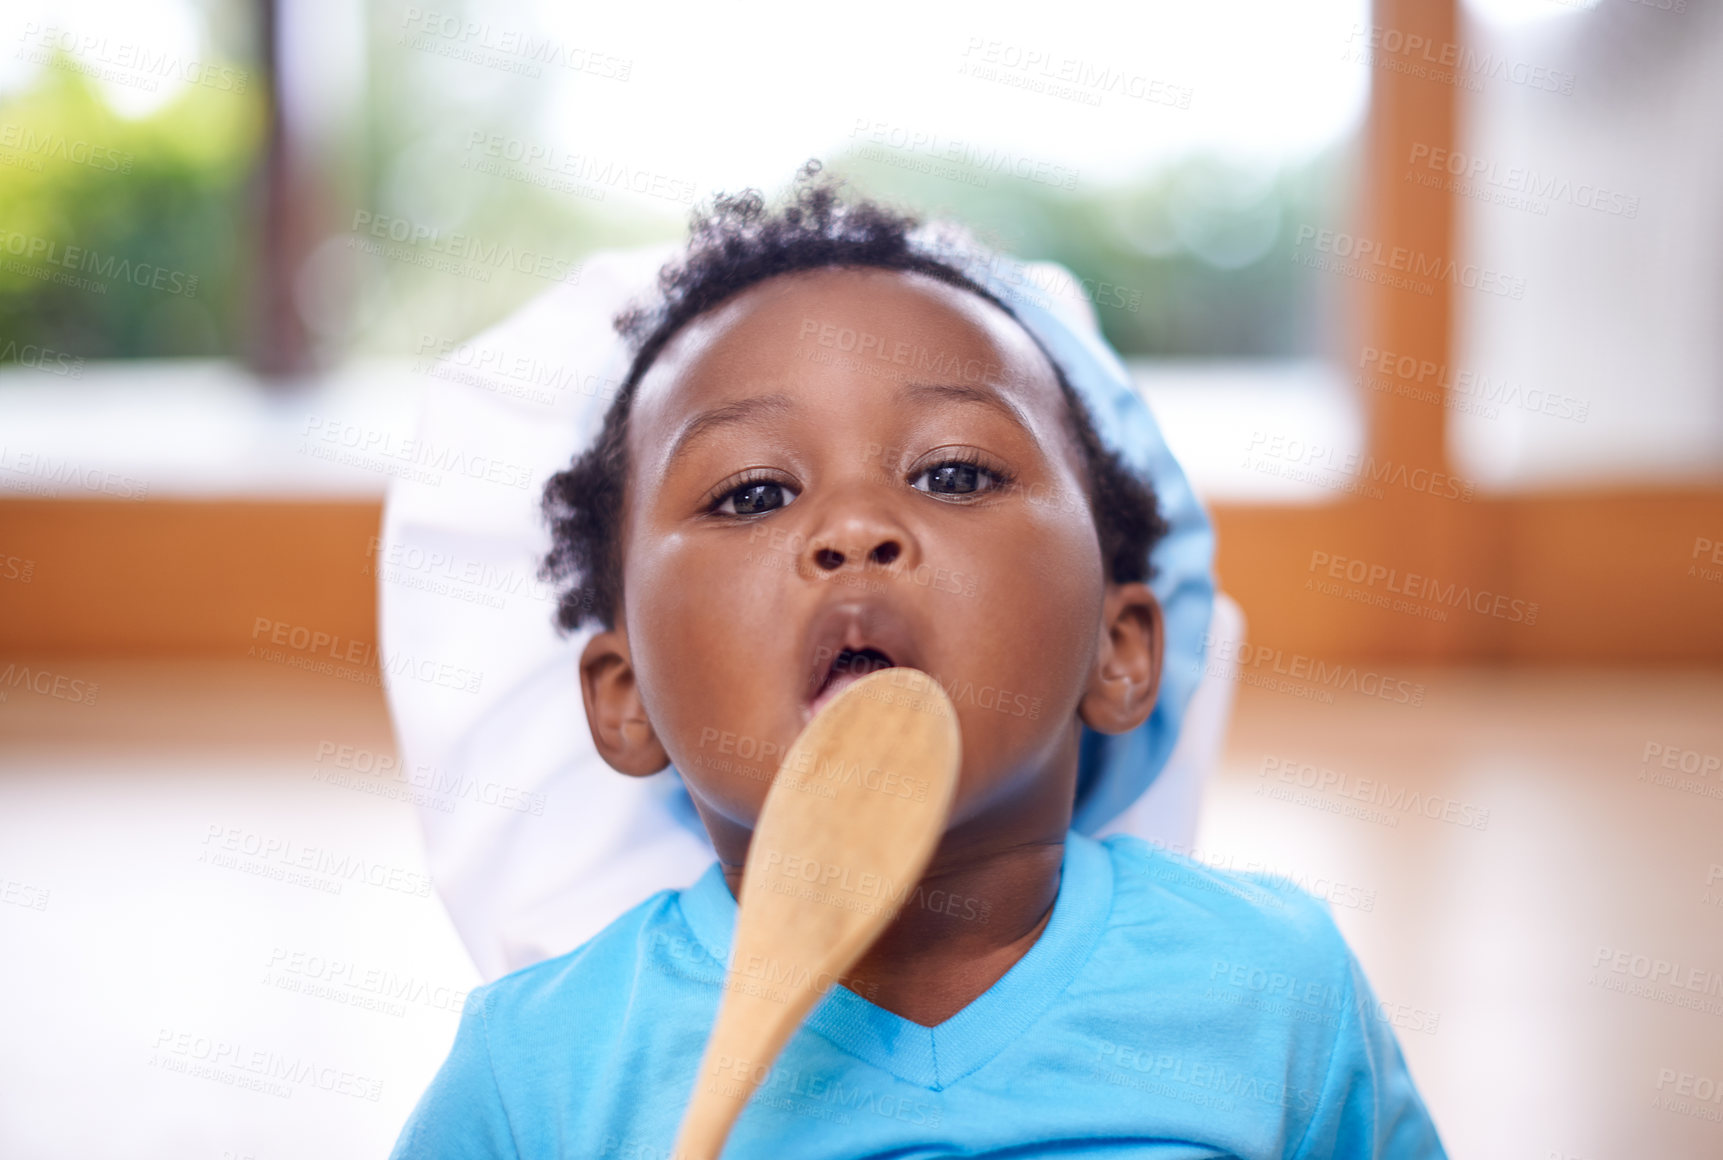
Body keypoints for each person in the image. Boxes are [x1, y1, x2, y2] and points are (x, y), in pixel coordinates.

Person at [389, 163, 1446, 1159]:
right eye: (751, 492)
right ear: (627, 702)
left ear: (1119, 651)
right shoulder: (538, 1074)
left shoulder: (1270, 987)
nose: (854, 526)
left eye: (952, 472)